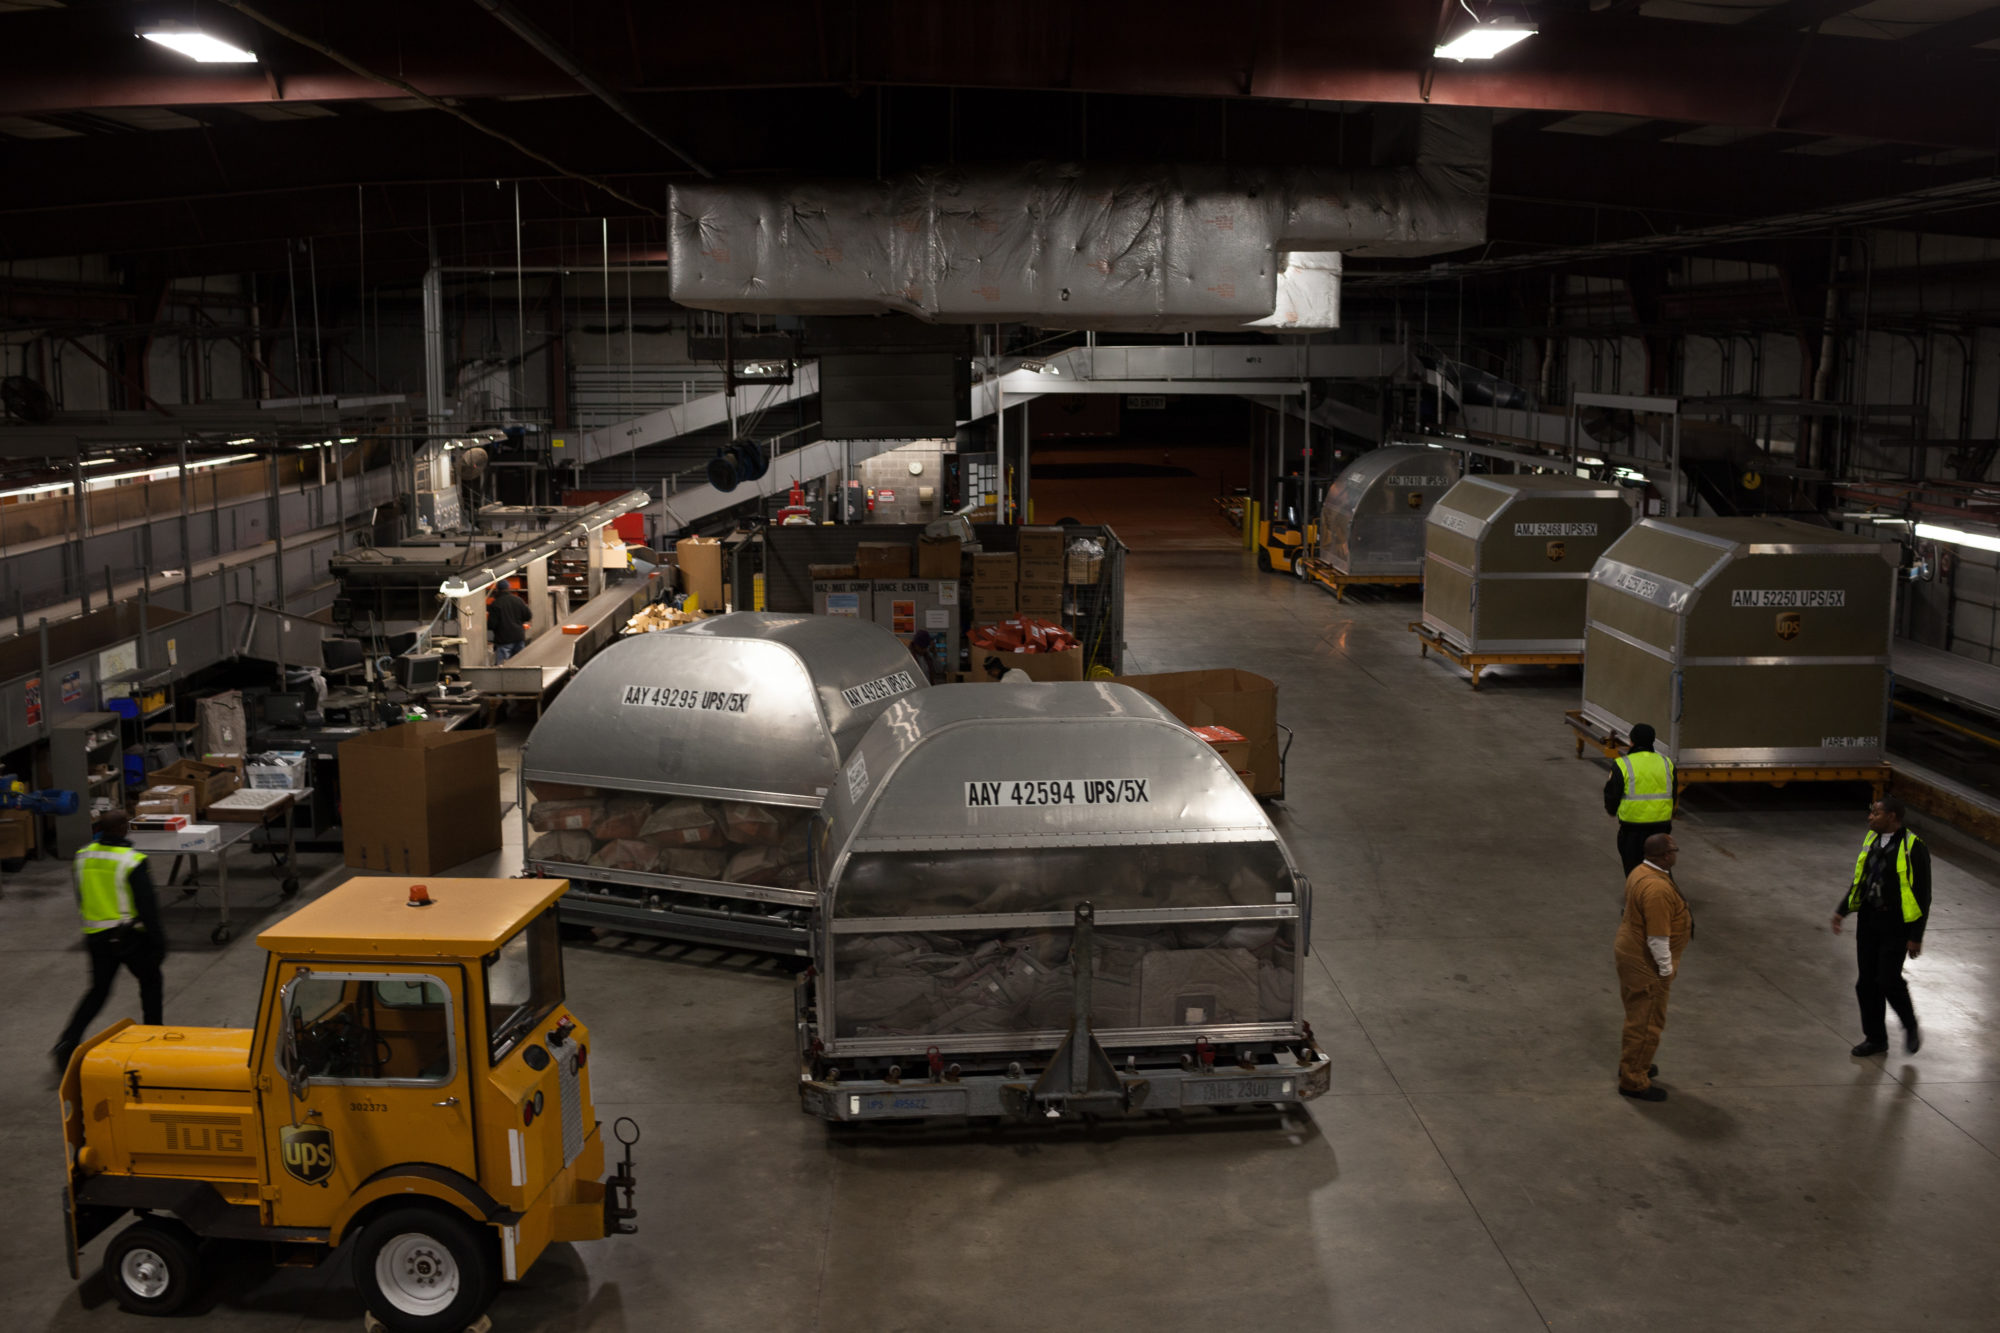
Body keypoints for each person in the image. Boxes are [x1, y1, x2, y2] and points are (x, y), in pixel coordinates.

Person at [52, 811, 165, 1071]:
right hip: (128, 936)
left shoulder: (83, 856)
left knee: (98, 990)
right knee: (151, 982)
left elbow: (81, 896)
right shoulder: (132, 860)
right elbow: (148, 907)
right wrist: (158, 942)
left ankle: (67, 1042)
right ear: (124, 828)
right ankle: (156, 1040)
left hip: (96, 936)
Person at [1831, 796, 1931, 1057]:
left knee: (1887, 979)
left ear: (1893, 817)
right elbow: (1861, 880)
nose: (1870, 817)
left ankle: (1910, 1025)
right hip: (1869, 920)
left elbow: (1923, 894)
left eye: (1876, 813)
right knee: (1866, 984)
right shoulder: (1871, 840)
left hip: (1896, 924)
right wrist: (1842, 911)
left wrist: (1916, 936)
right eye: (1871, 813)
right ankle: (1875, 1039)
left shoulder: (1913, 847)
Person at [1614, 831, 1692, 1102]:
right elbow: (1657, 937)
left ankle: (1635, 1062)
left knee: (1638, 1014)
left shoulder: (1640, 871)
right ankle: (1633, 1079)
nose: (1675, 855)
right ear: (1665, 856)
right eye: (1673, 851)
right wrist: (1666, 969)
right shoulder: (1657, 889)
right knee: (1646, 1022)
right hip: (1646, 963)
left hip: (1630, 953)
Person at [1605, 722, 1675, 876]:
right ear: (1652, 741)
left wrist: (1611, 810)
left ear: (1631, 741)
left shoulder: (1622, 764)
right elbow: (1673, 794)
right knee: (1661, 866)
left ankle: (1639, 896)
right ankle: (1664, 895)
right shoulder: (1666, 763)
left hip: (1633, 828)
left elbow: (1612, 795)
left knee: (1634, 869)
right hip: (1661, 826)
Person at [487, 580, 532, 662]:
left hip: (504, 640)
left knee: (503, 669)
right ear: (509, 588)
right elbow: (528, 616)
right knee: (520, 664)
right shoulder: (518, 600)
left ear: (497, 590)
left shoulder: (496, 604)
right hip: (519, 638)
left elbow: (492, 624)